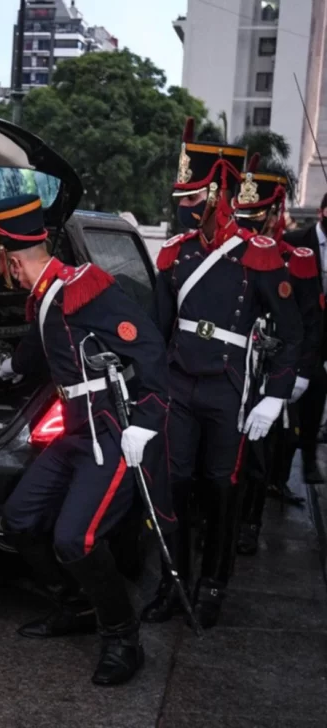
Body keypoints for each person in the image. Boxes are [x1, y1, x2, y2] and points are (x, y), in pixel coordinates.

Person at [0, 189, 173, 686]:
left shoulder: (85, 287)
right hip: (73, 432)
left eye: (1, 263)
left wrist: (145, 423)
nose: (3, 274)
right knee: (18, 520)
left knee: (76, 539)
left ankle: (122, 635)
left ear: (10, 258)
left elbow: (150, 348)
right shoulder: (47, 293)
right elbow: (42, 340)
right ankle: (74, 607)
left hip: (109, 433)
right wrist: (12, 366)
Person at [143, 118, 303, 629]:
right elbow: (158, 328)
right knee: (175, 485)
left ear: (218, 194)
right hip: (179, 385)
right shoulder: (176, 252)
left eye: (193, 198)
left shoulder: (258, 255)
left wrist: (274, 395)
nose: (183, 207)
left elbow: (292, 330)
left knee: (222, 489)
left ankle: (213, 584)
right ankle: (173, 583)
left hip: (229, 388)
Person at [233, 159, 322, 554]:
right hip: (235, 365)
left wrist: (300, 372)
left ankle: (250, 521)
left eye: (263, 213)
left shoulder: (295, 258)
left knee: (260, 450)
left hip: (274, 368)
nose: (257, 221)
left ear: (277, 213)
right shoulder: (231, 251)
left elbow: (308, 320)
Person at [281, 193, 327, 484]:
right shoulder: (296, 240)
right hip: (301, 329)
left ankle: (309, 459)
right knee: (295, 397)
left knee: (317, 394)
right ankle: (283, 468)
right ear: (323, 212)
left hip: (322, 334)